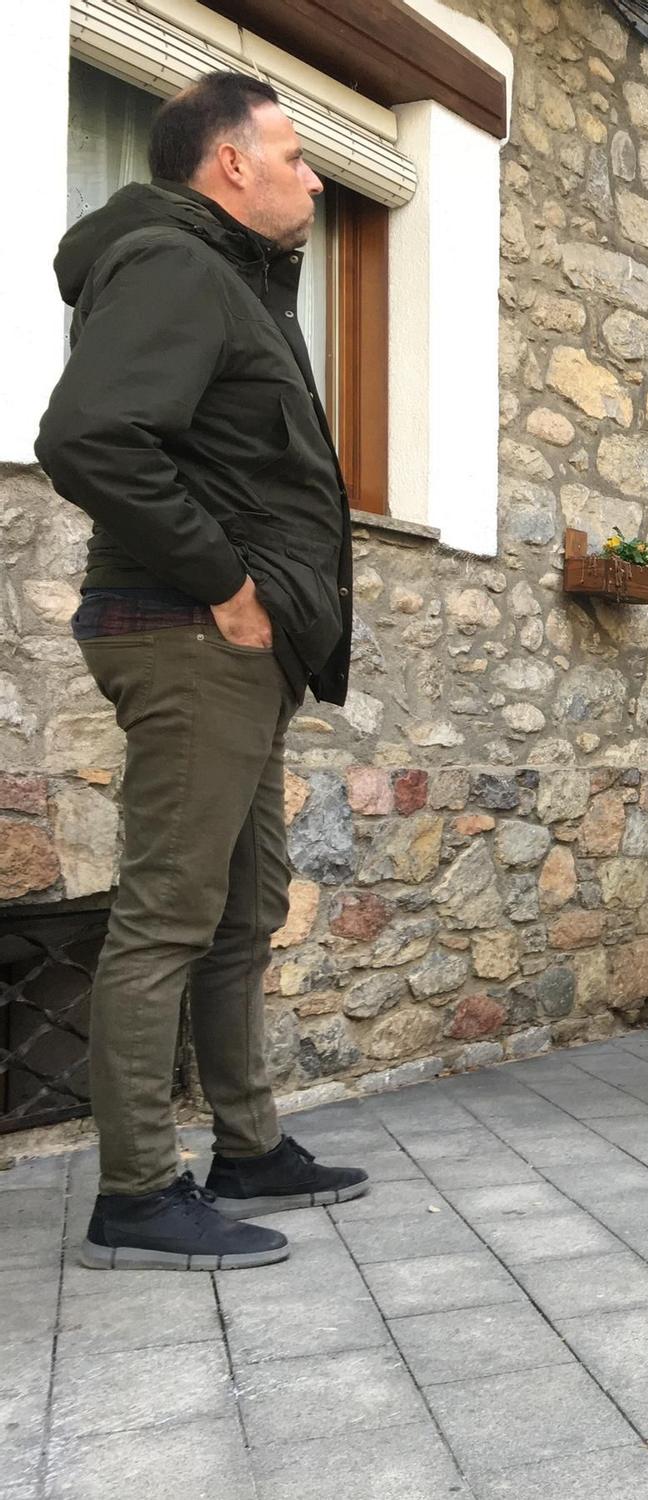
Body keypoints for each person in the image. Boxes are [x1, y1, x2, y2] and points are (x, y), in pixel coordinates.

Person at [36, 73, 370, 1271]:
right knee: (169, 914)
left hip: (232, 645)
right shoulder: (176, 266)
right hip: (187, 634)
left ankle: (247, 1145)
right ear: (231, 164)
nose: (317, 176)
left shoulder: (231, 277)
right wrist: (227, 586)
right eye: (295, 152)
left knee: (241, 908)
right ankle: (133, 1194)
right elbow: (86, 436)